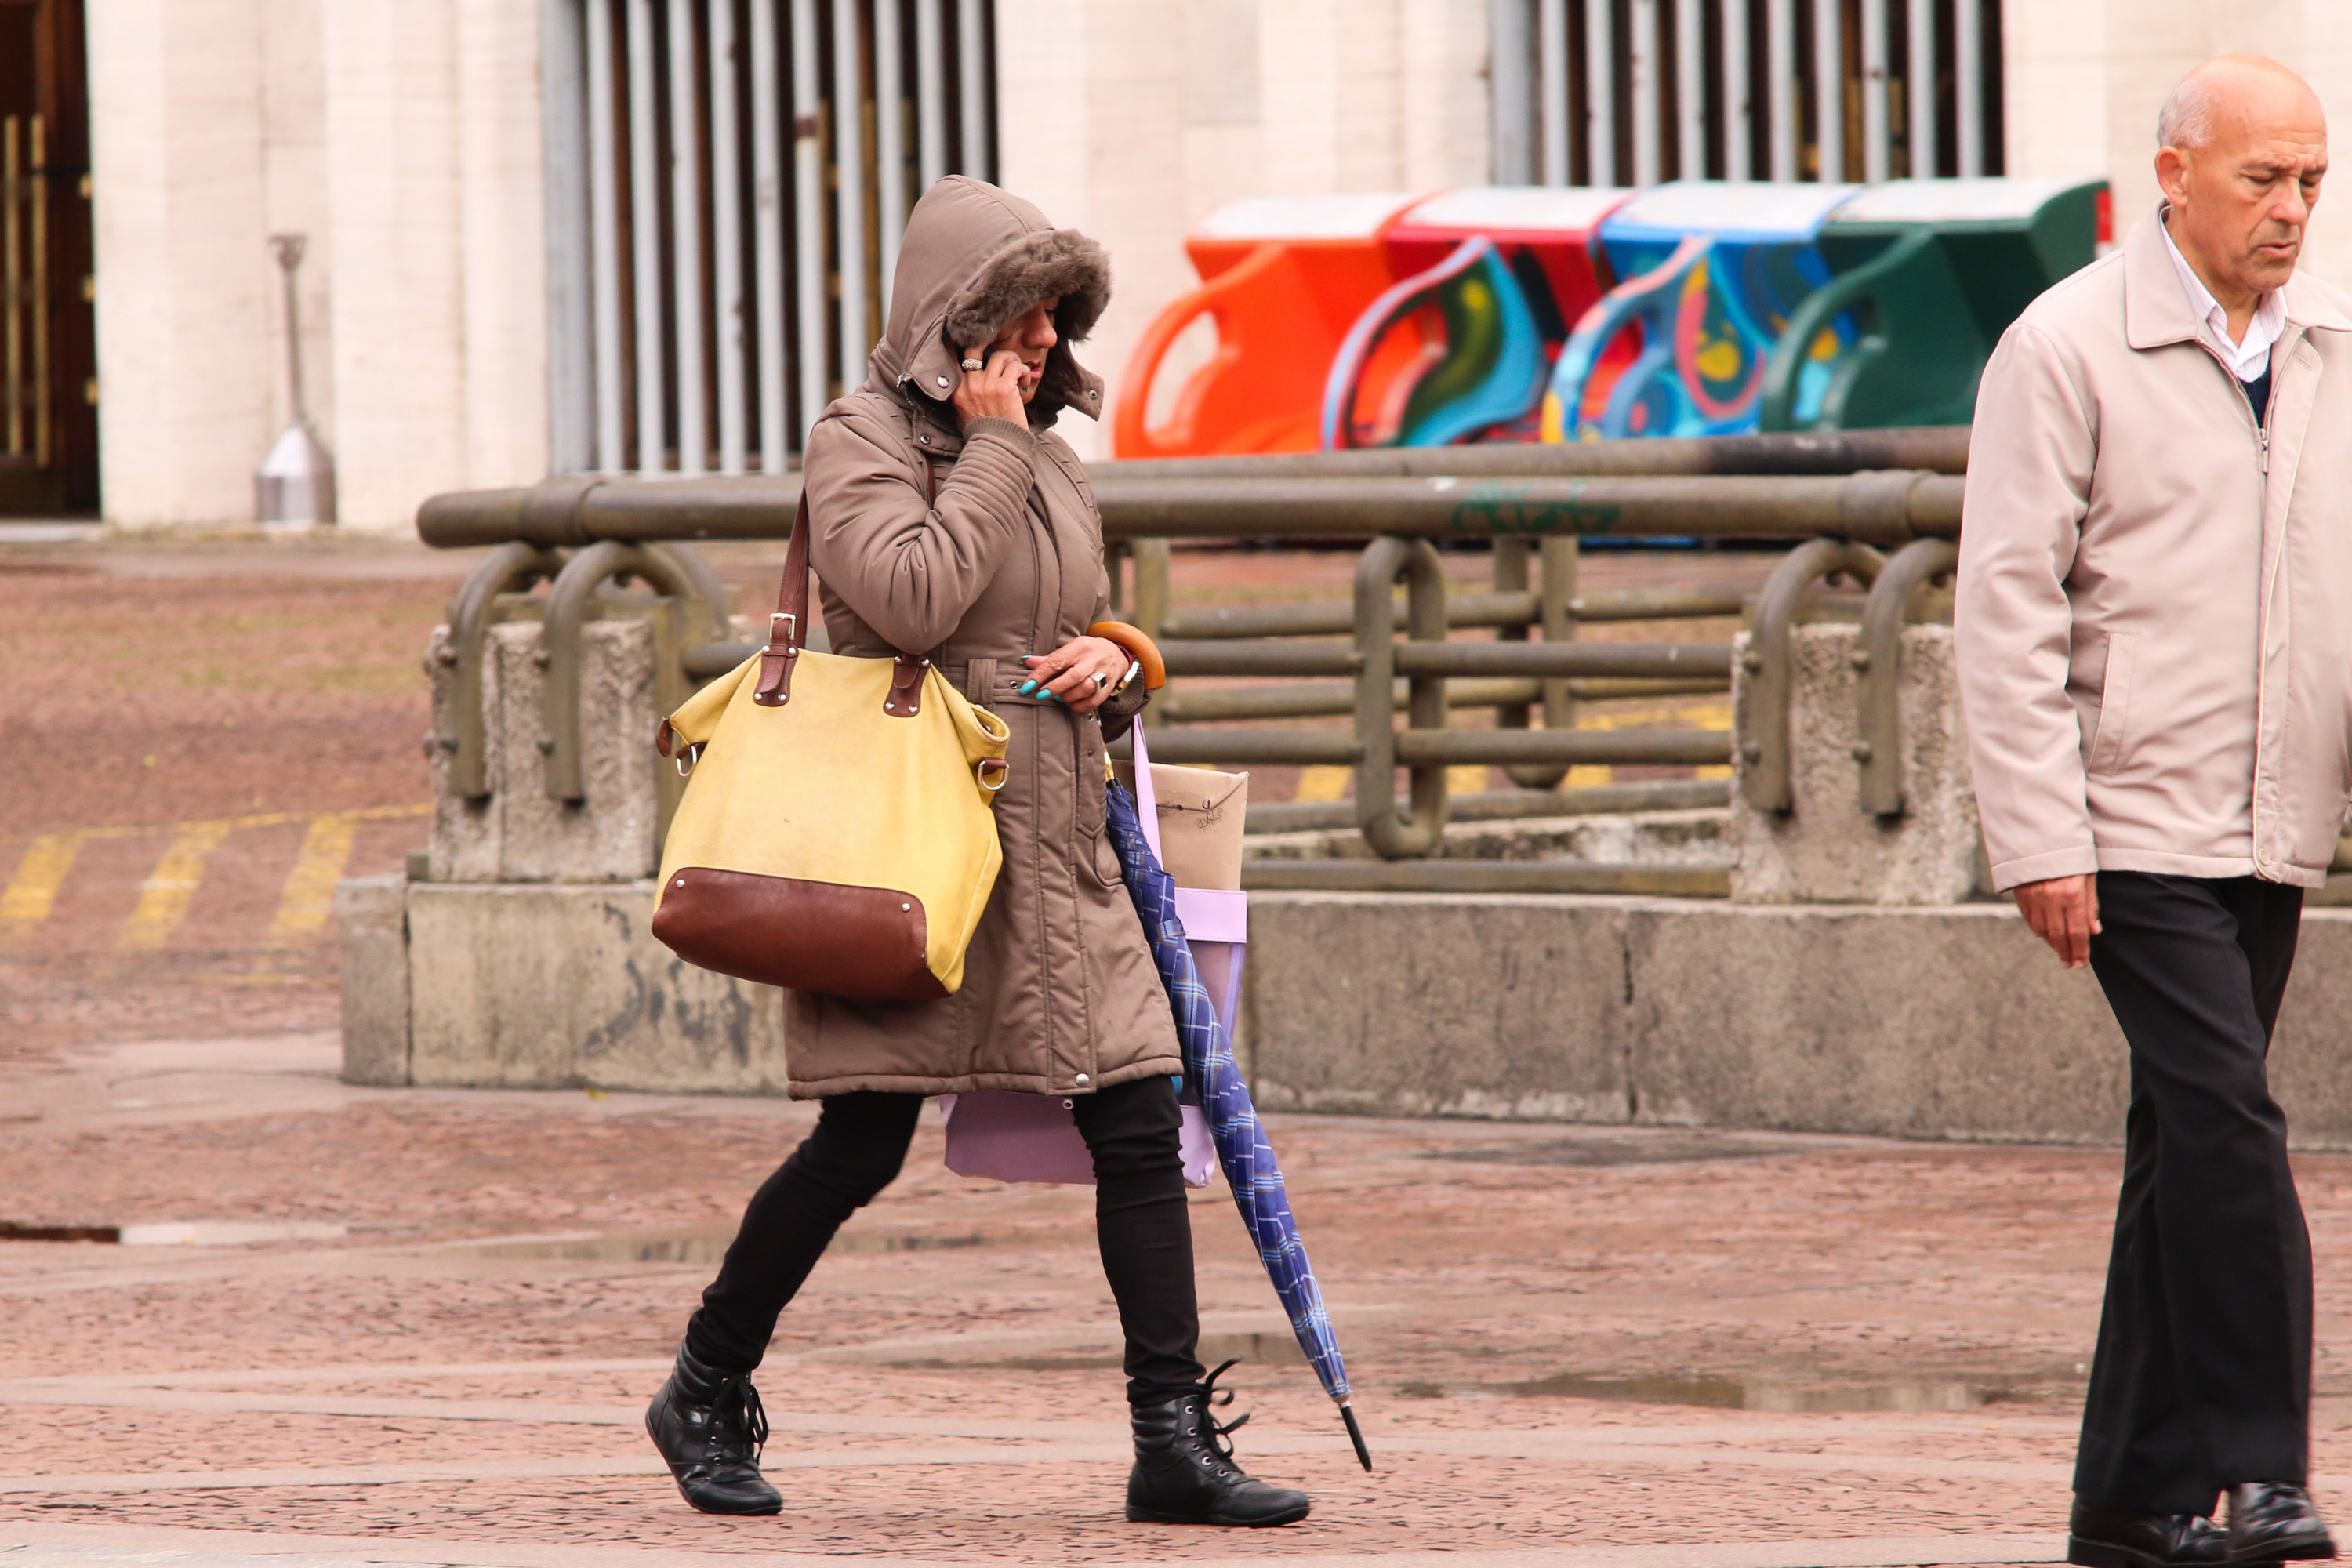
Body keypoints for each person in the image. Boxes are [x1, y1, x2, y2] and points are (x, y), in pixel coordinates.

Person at [641, 176, 1312, 1530]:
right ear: (953, 324)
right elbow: (910, 602)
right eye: (1021, 323)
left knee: (1136, 1118)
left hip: (1062, 847)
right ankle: (705, 1382)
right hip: (917, 845)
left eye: (1058, 324)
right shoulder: (859, 441)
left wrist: (1112, 660)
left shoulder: (1050, 457)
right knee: (863, 1137)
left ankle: (1169, 1439)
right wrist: (999, 451)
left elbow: (1074, 622)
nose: (1045, 350)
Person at [1956, 53, 2346, 1568]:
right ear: (2174, 171)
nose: (2293, 210)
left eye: (2312, 180)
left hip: (2270, 814)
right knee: (2234, 1123)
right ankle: (2263, 1470)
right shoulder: (2062, 347)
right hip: (2125, 821)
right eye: (2264, 178)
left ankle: (2125, 1503)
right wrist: (2039, 838)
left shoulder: (2328, 345)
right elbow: (2005, 611)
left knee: (2182, 1143)